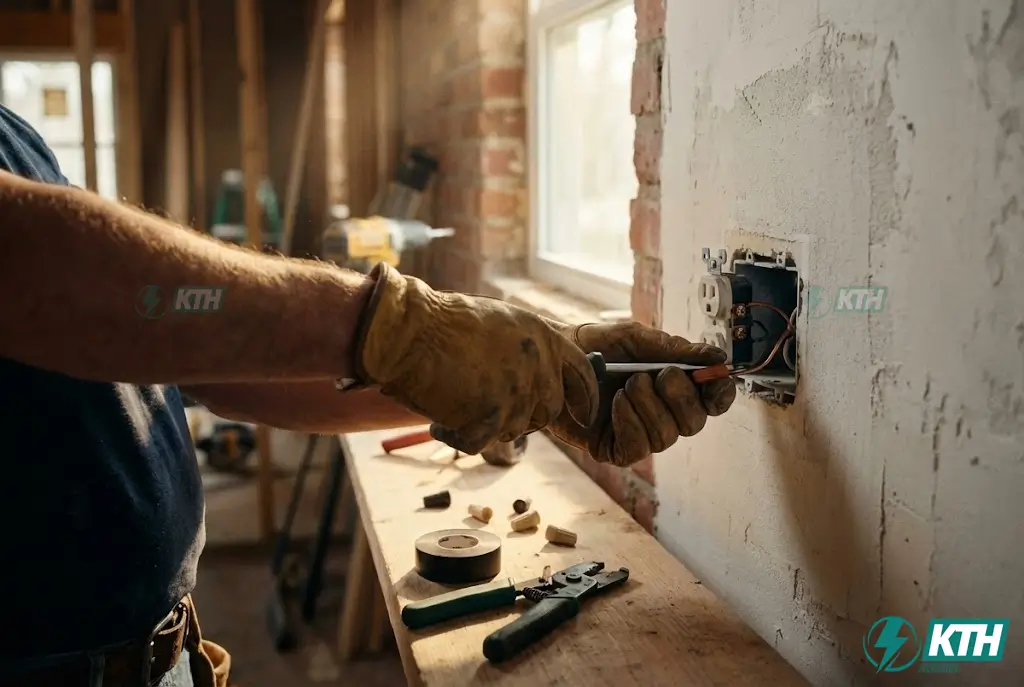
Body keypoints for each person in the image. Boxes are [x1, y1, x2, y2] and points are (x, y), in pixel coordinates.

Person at [0, 102, 736, 687]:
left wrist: (549, 370)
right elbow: (26, 266)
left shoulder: (14, 132)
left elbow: (202, 360)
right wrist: (397, 327)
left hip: (154, 654)